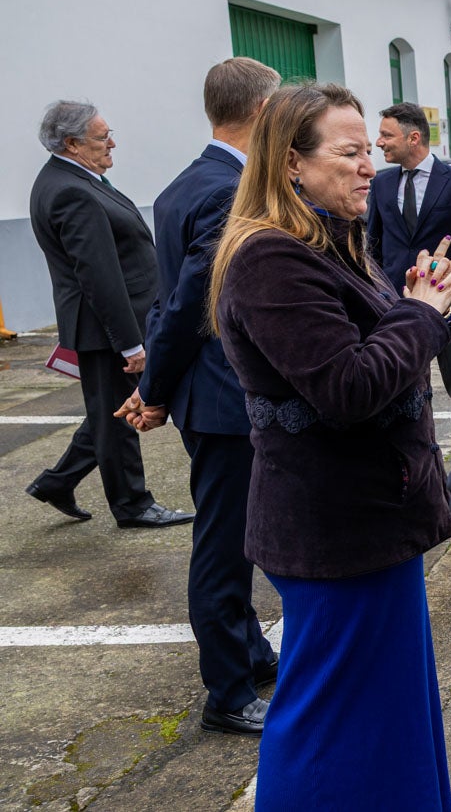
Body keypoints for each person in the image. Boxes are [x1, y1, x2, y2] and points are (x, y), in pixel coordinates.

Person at [208, 83, 451, 810]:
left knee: (387, 714)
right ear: (291, 163)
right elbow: (347, 385)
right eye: (350, 153)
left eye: (368, 152)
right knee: (326, 722)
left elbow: (371, 346)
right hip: (334, 532)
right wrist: (421, 315)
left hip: (370, 525)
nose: (368, 167)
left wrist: (416, 300)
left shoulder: (329, 242)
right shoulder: (270, 257)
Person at [115, 57, 282, 736]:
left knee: (238, 535)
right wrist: (151, 390)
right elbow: (188, 304)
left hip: (202, 394)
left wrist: (154, 387)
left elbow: (165, 301)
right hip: (221, 397)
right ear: (263, 113)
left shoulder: (186, 182)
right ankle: (228, 691)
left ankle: (249, 652)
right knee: (223, 547)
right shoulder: (227, 189)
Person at [25, 101, 194, 530]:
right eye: (102, 138)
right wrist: (131, 343)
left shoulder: (76, 178)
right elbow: (98, 274)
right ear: (73, 144)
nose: (112, 143)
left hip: (113, 323)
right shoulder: (70, 190)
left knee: (112, 409)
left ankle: (57, 482)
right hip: (106, 328)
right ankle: (132, 504)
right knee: (116, 417)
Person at [368, 101, 451, 413]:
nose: (378, 142)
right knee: (397, 390)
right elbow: (372, 246)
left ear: (413, 138)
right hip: (396, 305)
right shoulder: (381, 183)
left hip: (450, 305)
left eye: (386, 135)